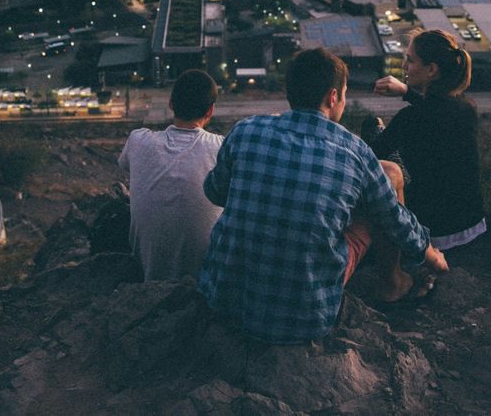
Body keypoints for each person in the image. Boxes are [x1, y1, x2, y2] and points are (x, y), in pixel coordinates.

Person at [198, 48, 449, 344]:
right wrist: (431, 256)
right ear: (332, 97)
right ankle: (393, 284)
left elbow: (214, 191)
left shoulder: (246, 131)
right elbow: (394, 220)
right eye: (343, 94)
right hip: (304, 316)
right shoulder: (355, 153)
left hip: (222, 301)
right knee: (382, 193)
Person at [370, 30, 487, 258]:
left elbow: (370, 157)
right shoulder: (467, 108)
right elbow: (434, 108)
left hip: (433, 232)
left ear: (432, 70)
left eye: (410, 60)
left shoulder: (410, 119)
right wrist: (406, 91)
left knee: (372, 128)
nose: (404, 66)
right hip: (472, 222)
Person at [119, 69, 223, 281]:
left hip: (148, 275)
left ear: (171, 104)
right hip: (203, 281)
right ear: (210, 111)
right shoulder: (221, 148)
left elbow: (125, 165)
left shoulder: (138, 140)